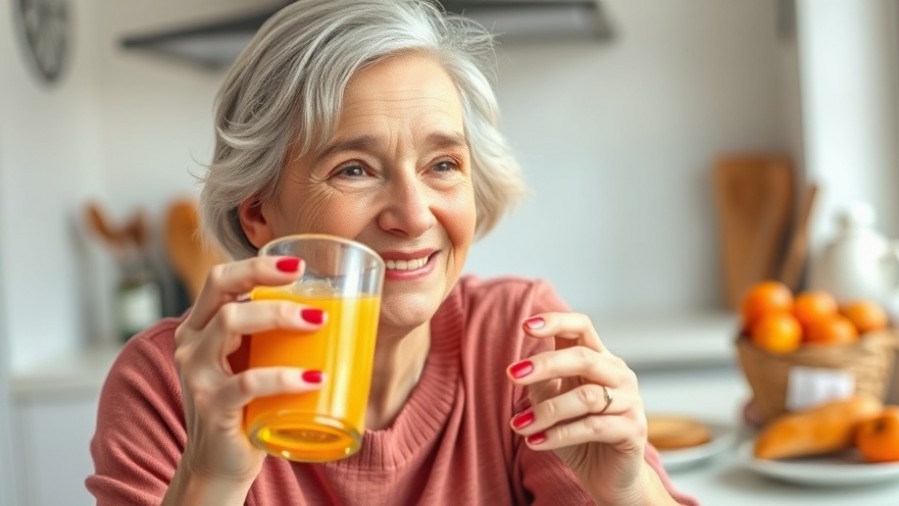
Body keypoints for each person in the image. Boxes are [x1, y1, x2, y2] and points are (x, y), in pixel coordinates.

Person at [87, 0, 698, 504]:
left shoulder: (518, 340)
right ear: (258, 214)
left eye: (442, 165)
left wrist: (625, 490)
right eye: (353, 169)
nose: (412, 215)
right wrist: (210, 479)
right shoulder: (171, 385)